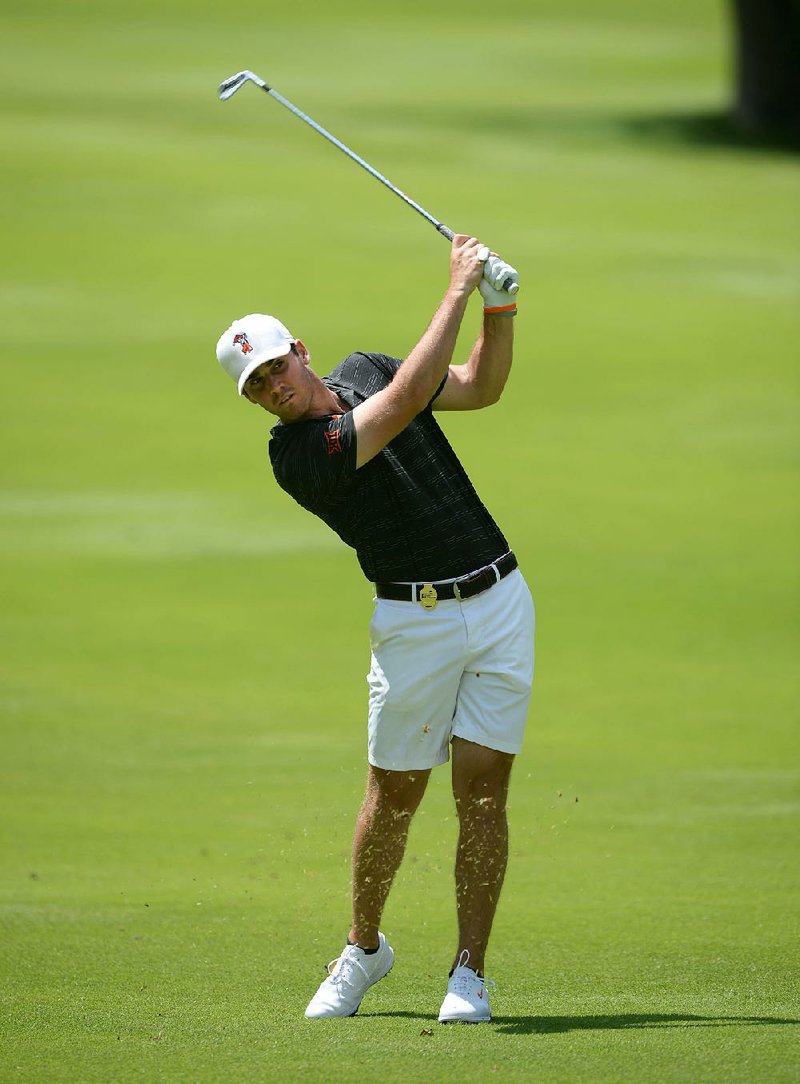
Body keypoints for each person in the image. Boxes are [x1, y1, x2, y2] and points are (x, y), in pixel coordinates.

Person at [215, 235, 535, 1023]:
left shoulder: (367, 366)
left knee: (483, 795)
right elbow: (399, 408)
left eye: (276, 369)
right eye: (257, 386)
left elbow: (476, 388)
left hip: (499, 600)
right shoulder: (298, 455)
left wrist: (501, 306)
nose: (273, 389)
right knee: (394, 796)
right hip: (412, 620)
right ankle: (364, 949)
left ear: (300, 351)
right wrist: (457, 288)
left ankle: (470, 974)